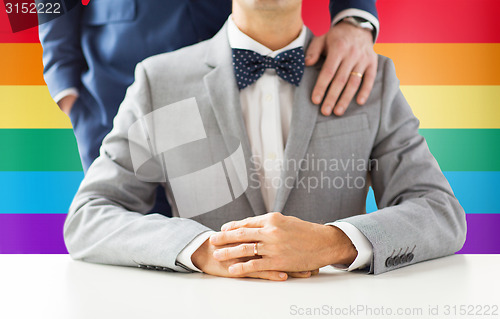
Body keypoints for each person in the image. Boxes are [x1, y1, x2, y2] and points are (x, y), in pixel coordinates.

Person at [65, 0, 466, 281]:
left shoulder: (367, 80)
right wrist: (202, 250)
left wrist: (334, 242)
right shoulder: (160, 82)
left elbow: (440, 211)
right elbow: (90, 218)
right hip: (109, 77)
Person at [39, 0, 380, 171]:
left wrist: (356, 15)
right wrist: (60, 77)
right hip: (114, 78)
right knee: (126, 240)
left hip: (246, 61)